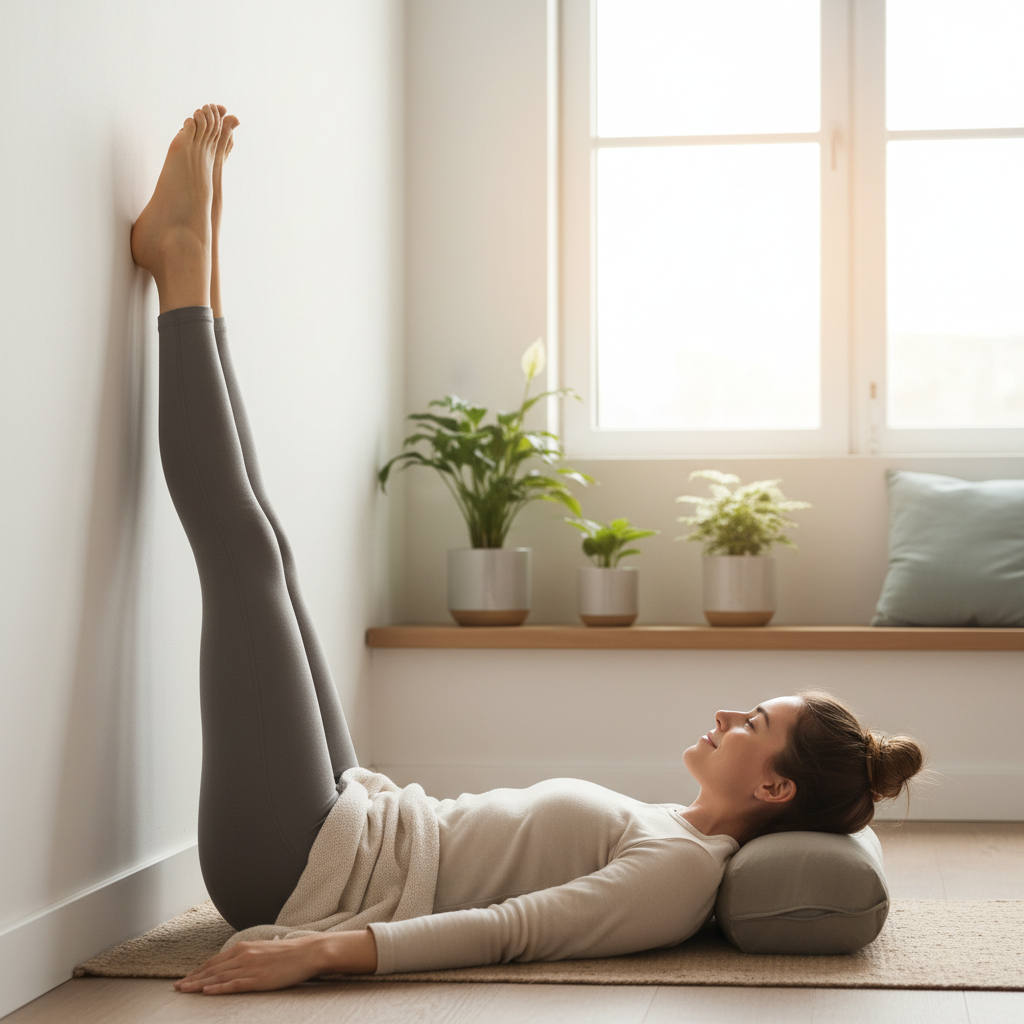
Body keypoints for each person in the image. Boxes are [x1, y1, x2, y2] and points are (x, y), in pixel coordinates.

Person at [131, 105, 925, 997]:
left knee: (242, 554)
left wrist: (318, 950)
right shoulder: (677, 829)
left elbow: (511, 932)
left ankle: (186, 270)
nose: (729, 714)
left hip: (301, 873)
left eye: (757, 724)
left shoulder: (681, 874)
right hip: (352, 823)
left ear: (776, 791)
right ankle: (197, 268)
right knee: (268, 546)